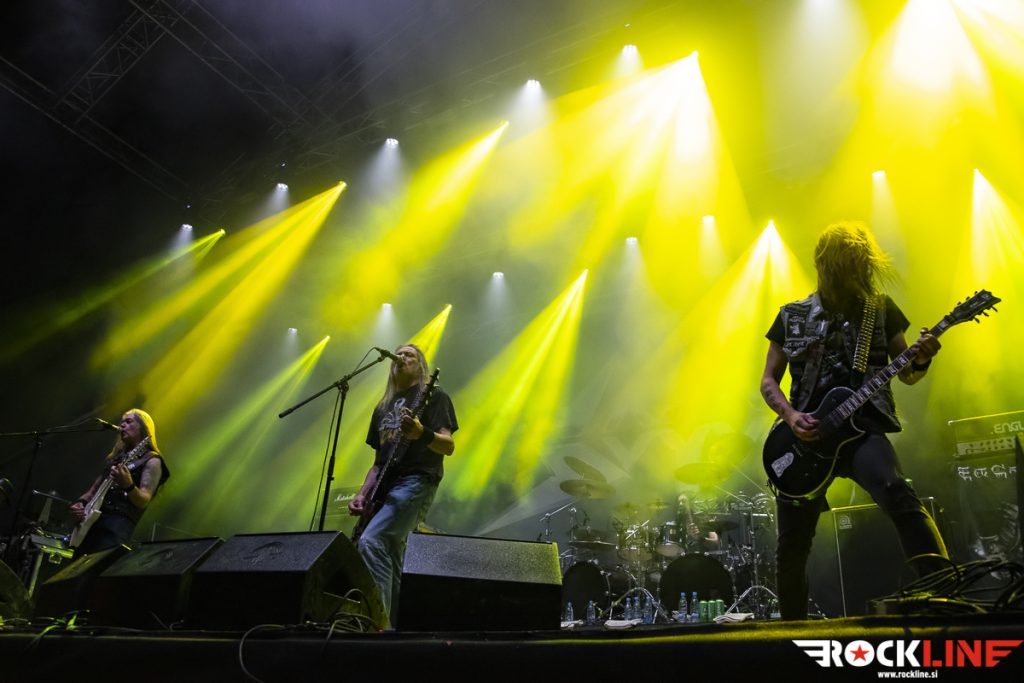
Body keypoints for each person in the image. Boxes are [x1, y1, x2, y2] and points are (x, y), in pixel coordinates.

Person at [759, 221, 948, 620]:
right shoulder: (791, 316)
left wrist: (922, 358)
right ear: (825, 265)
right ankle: (790, 633)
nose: (854, 276)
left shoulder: (880, 310)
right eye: (846, 266)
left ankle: (947, 595)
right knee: (792, 543)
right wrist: (791, 417)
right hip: (806, 439)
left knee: (898, 493)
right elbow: (768, 381)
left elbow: (908, 373)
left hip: (863, 431)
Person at [349, 344, 457, 623]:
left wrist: (422, 433)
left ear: (420, 365)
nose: (402, 357)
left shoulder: (434, 396)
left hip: (416, 479)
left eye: (410, 354)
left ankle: (376, 626)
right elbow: (378, 462)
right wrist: (362, 494)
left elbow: (448, 446)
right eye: (399, 353)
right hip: (386, 487)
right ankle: (399, 628)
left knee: (373, 542)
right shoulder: (382, 407)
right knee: (391, 557)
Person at [68, 409, 169, 557]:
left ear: (143, 428)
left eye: (128, 421)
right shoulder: (116, 459)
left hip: (115, 528)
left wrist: (128, 485)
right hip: (91, 525)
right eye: (122, 422)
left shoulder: (152, 460)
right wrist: (80, 504)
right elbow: (92, 491)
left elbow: (143, 500)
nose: (122, 425)